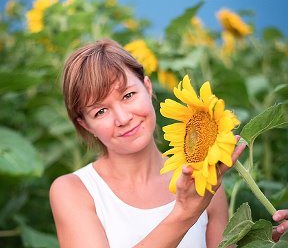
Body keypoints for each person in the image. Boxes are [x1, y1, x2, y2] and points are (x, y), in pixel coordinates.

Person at [49, 39, 285, 247]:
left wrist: (271, 242)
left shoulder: (202, 175)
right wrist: (185, 212)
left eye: (128, 95)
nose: (123, 118)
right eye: (101, 111)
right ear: (85, 125)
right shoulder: (75, 191)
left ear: (148, 87)